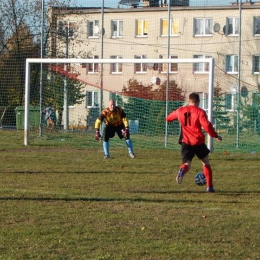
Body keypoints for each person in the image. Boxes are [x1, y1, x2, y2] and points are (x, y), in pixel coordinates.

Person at [166, 92, 222, 193]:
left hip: (186, 142)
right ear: (198, 101)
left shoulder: (180, 111)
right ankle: (209, 187)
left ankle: (182, 170)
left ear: (189, 100)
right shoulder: (200, 112)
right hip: (198, 142)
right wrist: (216, 135)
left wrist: (178, 115)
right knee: (205, 162)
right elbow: (207, 127)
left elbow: (168, 118)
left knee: (187, 163)